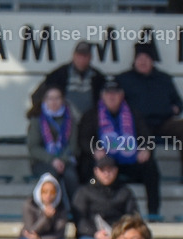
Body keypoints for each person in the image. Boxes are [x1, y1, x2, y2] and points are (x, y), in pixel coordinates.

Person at [77, 78, 159, 216]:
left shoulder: (134, 114)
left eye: (115, 93)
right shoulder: (91, 115)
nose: (112, 97)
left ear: (121, 95)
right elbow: (83, 139)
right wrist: (94, 150)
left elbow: (147, 137)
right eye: (108, 93)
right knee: (86, 166)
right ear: (102, 95)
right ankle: (88, 211)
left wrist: (146, 149)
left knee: (150, 167)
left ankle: (153, 211)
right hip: (104, 162)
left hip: (129, 161)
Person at [117, 42, 183, 180]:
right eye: (139, 59)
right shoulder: (123, 79)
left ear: (152, 61)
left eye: (146, 59)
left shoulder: (164, 79)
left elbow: (178, 102)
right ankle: (143, 178)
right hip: (137, 125)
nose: (143, 62)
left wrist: (176, 108)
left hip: (163, 123)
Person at [27, 87, 79, 206]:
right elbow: (33, 148)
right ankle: (53, 210)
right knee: (51, 176)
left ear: (62, 100)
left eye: (57, 98)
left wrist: (62, 160)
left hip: (66, 160)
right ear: (45, 101)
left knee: (71, 176)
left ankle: (77, 213)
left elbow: (73, 146)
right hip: (43, 161)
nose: (54, 102)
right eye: (50, 98)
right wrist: (52, 160)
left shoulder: (70, 120)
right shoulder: (37, 120)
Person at [29, 41, 105, 122]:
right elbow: (36, 96)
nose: (82, 59)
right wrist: (49, 117)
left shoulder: (98, 77)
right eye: (79, 55)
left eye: (85, 56)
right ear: (73, 56)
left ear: (90, 57)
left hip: (89, 124)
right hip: (64, 124)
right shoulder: (58, 74)